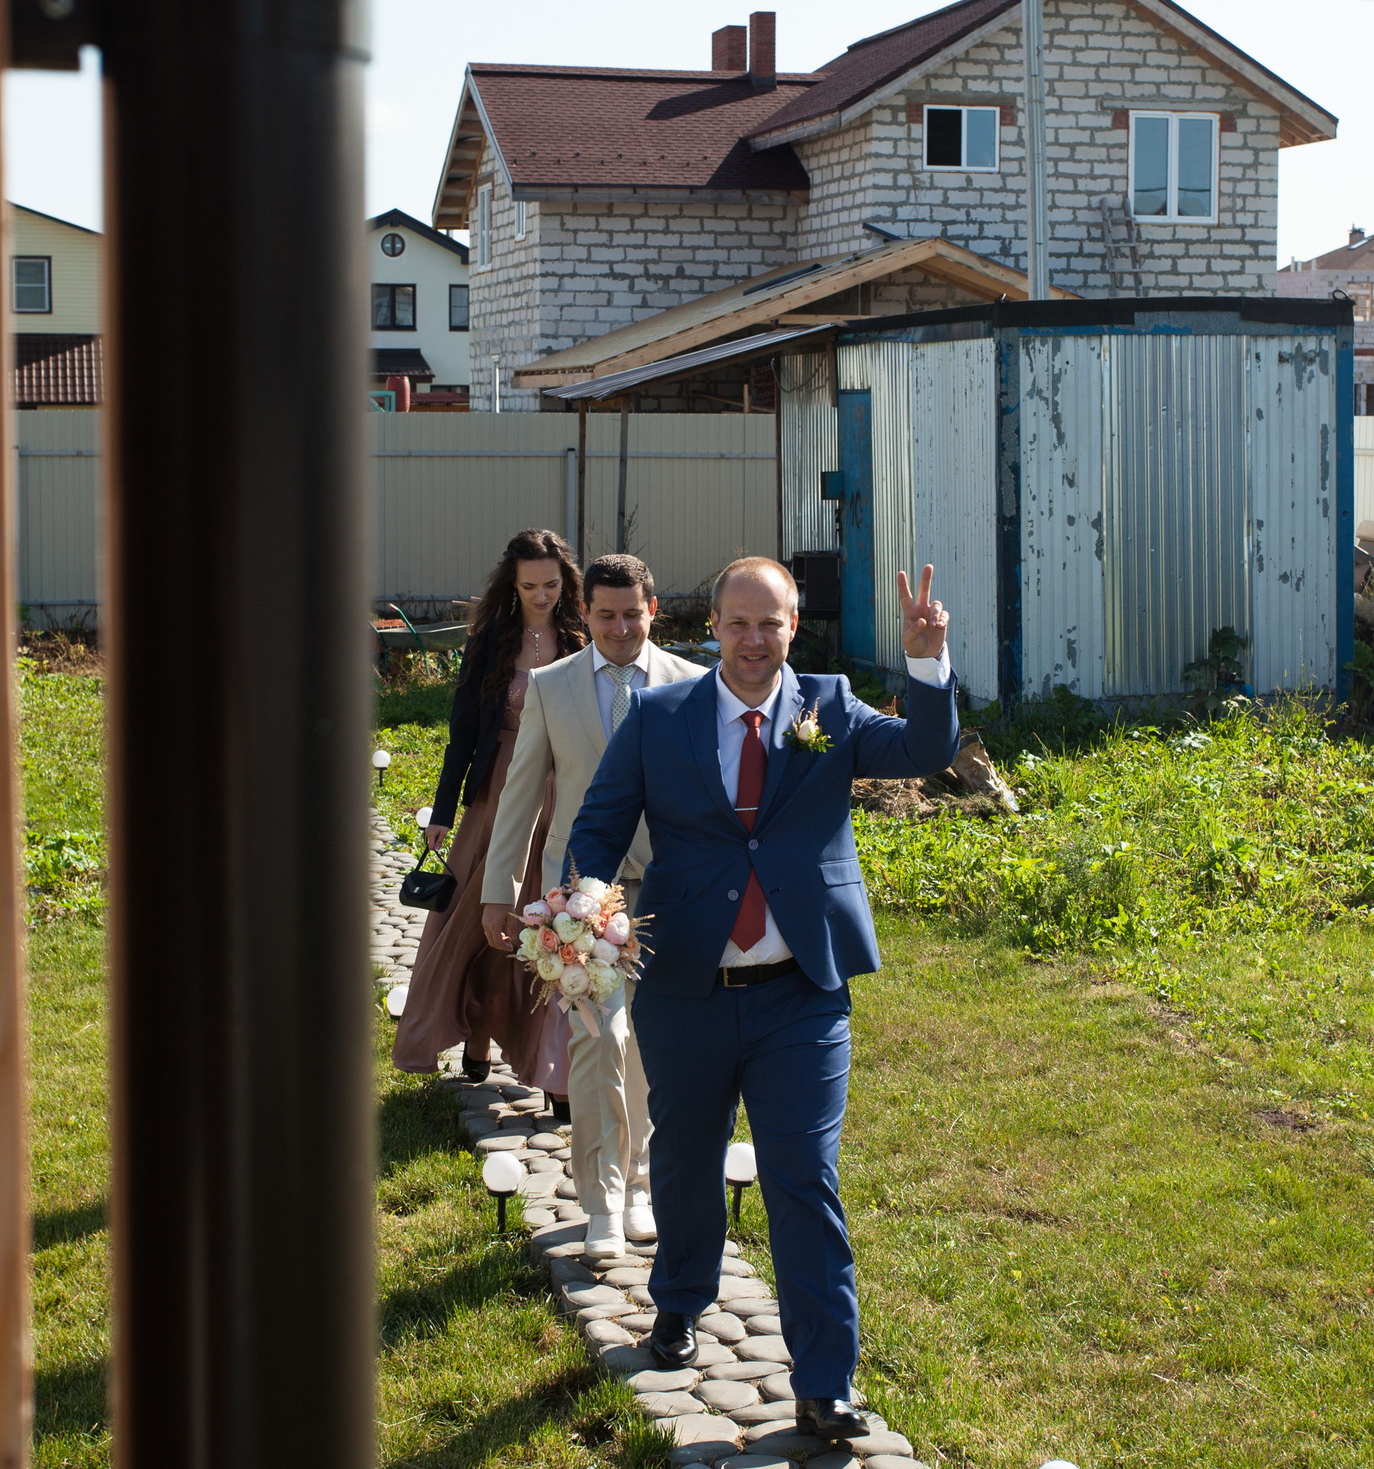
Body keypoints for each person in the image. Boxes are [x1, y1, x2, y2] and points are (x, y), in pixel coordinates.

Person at [561, 556, 958, 1442]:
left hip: (801, 996)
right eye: (737, 623)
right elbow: (599, 824)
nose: (752, 640)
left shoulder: (831, 705)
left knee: (803, 1178)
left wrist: (927, 664)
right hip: (686, 986)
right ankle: (680, 1300)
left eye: (769, 624)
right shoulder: (659, 715)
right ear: (712, 626)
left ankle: (825, 1380)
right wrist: (583, 906)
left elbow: (926, 752)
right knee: (686, 1156)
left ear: (793, 625)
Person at [482, 553, 704, 1259]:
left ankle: (641, 1186)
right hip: (583, 897)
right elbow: (520, 795)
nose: (617, 627)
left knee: (649, 1049)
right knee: (598, 1040)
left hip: (670, 893)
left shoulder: (694, 686)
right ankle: (601, 1199)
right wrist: (499, 891)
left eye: (630, 614)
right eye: (603, 615)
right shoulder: (553, 686)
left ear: (654, 608)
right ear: (587, 615)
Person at [391, 529, 586, 1098]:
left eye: (551, 584)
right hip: (495, 794)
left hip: (563, 792)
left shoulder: (581, 637)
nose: (542, 595)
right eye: (530, 586)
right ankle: (475, 1035)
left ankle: (552, 1065)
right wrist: (444, 812)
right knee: (477, 923)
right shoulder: (490, 641)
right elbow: (460, 737)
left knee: (555, 922)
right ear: (513, 584)